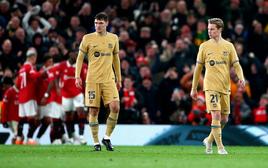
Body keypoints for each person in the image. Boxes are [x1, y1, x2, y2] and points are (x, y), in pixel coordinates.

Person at [190, 18, 245, 155]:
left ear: (220, 30)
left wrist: (241, 77)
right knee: (216, 114)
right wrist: (194, 88)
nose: (209, 31)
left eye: (212, 29)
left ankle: (209, 140)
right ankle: (220, 147)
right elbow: (198, 69)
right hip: (210, 85)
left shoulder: (229, 46)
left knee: (225, 118)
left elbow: (236, 65)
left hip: (225, 86)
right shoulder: (204, 46)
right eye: (208, 29)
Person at [75, 12, 121, 151]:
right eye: (96, 23)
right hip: (92, 80)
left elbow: (116, 59)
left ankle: (106, 138)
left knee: (115, 107)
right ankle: (96, 143)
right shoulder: (87, 38)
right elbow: (79, 58)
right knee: (93, 111)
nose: (98, 25)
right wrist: (77, 76)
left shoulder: (113, 38)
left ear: (106, 23)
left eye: (100, 23)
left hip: (109, 80)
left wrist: (119, 78)